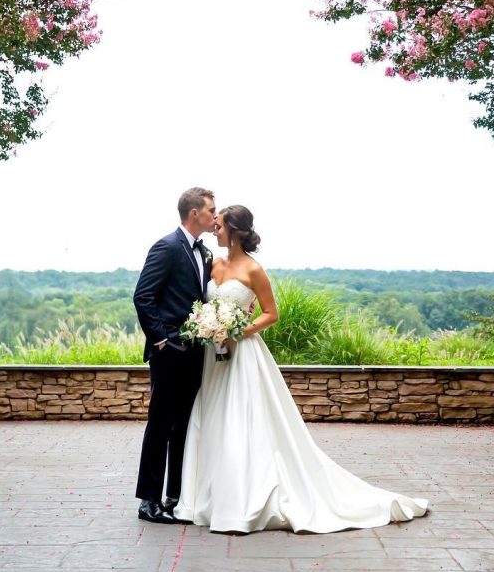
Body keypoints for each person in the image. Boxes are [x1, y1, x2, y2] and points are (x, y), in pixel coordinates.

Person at [173, 205, 429, 533]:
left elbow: (270, 313)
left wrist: (237, 331)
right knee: (213, 418)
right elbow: (206, 303)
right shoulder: (213, 263)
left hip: (242, 354)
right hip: (214, 358)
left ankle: (241, 501)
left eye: (219, 225)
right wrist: (210, 327)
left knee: (240, 420)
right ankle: (207, 496)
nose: (215, 230)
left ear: (235, 231)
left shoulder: (254, 269)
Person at [132, 187, 217, 524]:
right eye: (211, 210)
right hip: (169, 353)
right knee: (160, 424)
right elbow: (143, 297)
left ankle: (175, 497)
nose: (215, 215)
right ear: (194, 212)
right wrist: (162, 341)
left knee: (183, 425)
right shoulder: (166, 247)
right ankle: (148, 501)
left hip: (197, 353)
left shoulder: (206, 253)